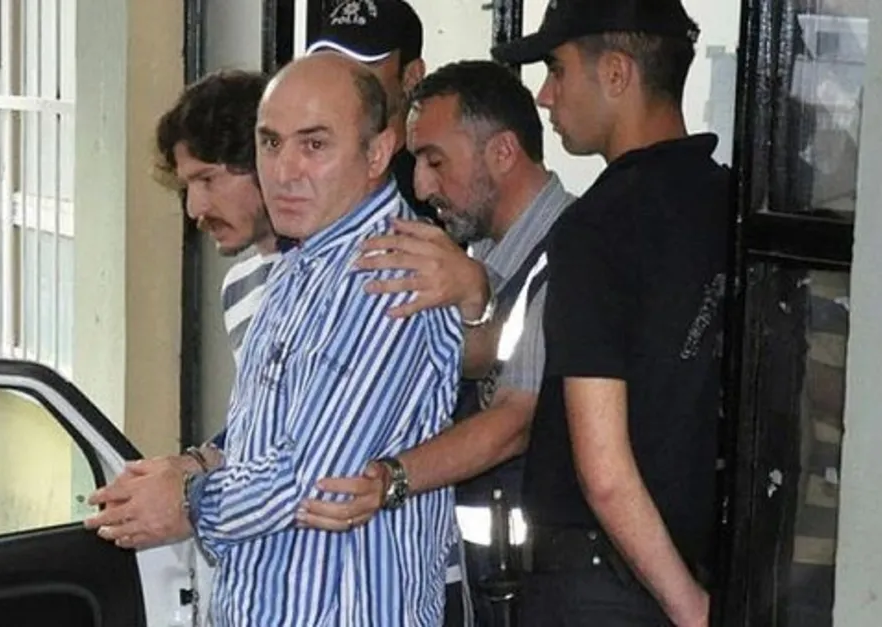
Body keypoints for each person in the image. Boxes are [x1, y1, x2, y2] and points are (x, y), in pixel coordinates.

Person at [87, 52, 463, 627]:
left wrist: (186, 500)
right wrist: (190, 466)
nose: (284, 171)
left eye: (314, 145)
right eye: (270, 143)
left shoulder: (391, 272)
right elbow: (263, 439)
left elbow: (318, 481)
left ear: (378, 153)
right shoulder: (300, 264)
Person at [295, 59, 575, 625]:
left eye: (435, 161)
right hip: (481, 581)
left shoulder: (573, 254)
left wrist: (389, 479)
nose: (421, 186)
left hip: (548, 589)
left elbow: (514, 423)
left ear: (503, 152)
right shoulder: (468, 256)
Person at [490, 0, 730, 625]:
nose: (545, 96)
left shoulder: (597, 227)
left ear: (617, 73)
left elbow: (603, 469)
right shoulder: (729, 206)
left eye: (557, 69)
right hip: (699, 567)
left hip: (604, 589)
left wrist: (689, 609)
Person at [153, 69, 280, 359]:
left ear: (262, 162)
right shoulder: (238, 287)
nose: (194, 208)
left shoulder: (359, 273)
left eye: (208, 179)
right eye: (187, 187)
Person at [305, 0, 438, 223]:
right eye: (332, 64)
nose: (342, 81)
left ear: (411, 76)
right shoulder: (304, 166)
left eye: (361, 67)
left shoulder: (434, 183)